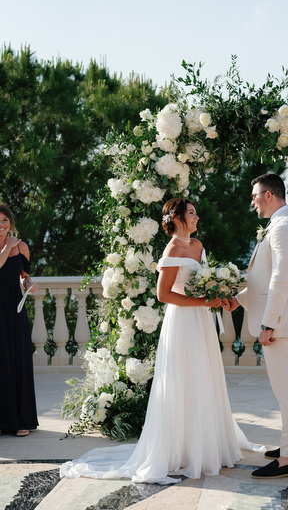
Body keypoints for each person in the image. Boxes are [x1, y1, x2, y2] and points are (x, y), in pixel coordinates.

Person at [61, 198, 262, 484]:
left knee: (204, 376)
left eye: (195, 212)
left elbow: (203, 280)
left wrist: (218, 293)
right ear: (177, 217)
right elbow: (164, 295)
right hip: (182, 322)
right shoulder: (172, 249)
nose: (196, 216)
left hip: (202, 320)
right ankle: (180, 449)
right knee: (182, 379)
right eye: (191, 213)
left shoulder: (199, 246)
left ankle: (206, 444)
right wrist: (202, 300)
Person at [226, 173, 288, 479]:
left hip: (281, 324)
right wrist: (238, 300)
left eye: (255, 196)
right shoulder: (284, 223)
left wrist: (269, 324)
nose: (253, 201)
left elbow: (281, 280)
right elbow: (265, 278)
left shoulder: (283, 226)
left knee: (287, 392)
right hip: (287, 322)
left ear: (269, 195)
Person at [0, 203, 39, 437]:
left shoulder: (22, 246)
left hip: (14, 309)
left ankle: (22, 420)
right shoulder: (12, 245)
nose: (2, 225)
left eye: (5, 220)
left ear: (10, 222)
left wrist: (29, 285)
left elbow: (24, 276)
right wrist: (7, 247)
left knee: (18, 359)